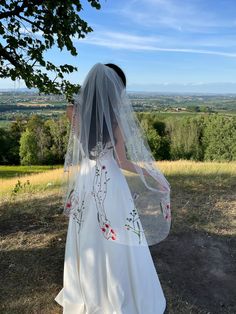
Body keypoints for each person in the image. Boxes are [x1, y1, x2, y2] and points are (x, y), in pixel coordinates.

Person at [55, 63, 171, 313]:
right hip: (110, 183)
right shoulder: (115, 117)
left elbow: (83, 148)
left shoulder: (72, 111)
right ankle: (121, 294)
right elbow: (122, 161)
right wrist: (153, 175)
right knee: (119, 236)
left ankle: (86, 290)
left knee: (87, 234)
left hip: (86, 180)